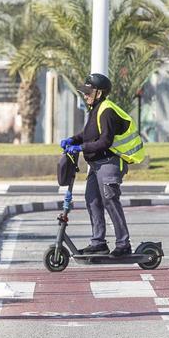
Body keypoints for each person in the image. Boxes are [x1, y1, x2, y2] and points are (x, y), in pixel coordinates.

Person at [61, 73, 145, 257]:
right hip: (96, 164)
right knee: (92, 200)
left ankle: (123, 244)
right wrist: (72, 140)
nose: (85, 95)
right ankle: (98, 243)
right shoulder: (95, 108)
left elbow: (105, 141)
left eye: (88, 92)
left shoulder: (106, 110)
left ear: (99, 93)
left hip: (110, 162)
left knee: (110, 201)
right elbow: (88, 133)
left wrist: (80, 147)